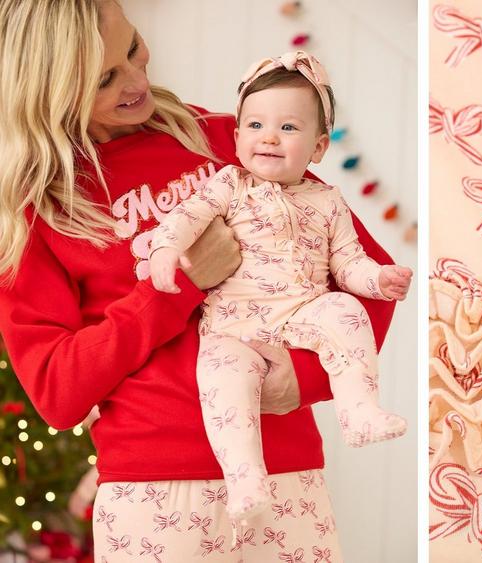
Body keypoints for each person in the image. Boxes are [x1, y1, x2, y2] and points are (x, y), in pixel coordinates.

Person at [0, 1, 400, 561]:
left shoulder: (225, 141)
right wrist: (182, 283)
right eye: (104, 78)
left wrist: (304, 378)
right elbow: (57, 391)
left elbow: (367, 278)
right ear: (48, 89)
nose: (138, 80)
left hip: (285, 472)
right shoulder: (37, 209)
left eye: (133, 48)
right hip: (150, 494)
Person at [149, 51, 412, 521]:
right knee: (222, 376)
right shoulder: (229, 184)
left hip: (300, 311)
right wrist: (165, 251)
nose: (268, 137)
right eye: (254, 125)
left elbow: (348, 263)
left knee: (345, 311)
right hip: (235, 324)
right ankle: (245, 480)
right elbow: (185, 218)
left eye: (288, 128)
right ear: (236, 136)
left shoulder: (328, 200)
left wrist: (377, 279)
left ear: (318, 148)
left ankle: (359, 411)